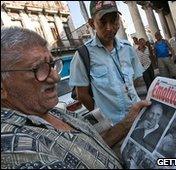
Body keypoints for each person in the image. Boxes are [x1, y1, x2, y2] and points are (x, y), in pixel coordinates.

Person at [1, 26, 151, 169]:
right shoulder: (12, 144)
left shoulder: (54, 112)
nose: (55, 77)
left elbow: (92, 151)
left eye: (52, 65)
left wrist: (127, 123)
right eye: (39, 68)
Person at [69, 1, 144, 125]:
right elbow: (82, 95)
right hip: (113, 127)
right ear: (92, 23)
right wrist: (103, 119)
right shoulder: (83, 55)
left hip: (138, 118)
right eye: (103, 22)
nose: (109, 28)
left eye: (113, 21)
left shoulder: (127, 48)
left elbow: (133, 82)